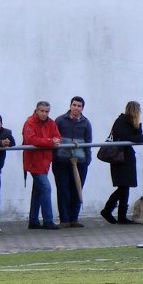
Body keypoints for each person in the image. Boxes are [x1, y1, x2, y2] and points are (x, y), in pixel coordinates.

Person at [101, 100, 143, 225]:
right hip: (120, 158)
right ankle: (108, 211)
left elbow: (140, 137)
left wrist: (138, 127)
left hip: (124, 158)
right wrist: (138, 132)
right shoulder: (122, 122)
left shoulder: (128, 122)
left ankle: (120, 215)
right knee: (123, 187)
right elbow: (131, 138)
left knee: (124, 187)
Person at [53, 96, 92, 228]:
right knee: (63, 190)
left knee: (77, 189)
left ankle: (74, 218)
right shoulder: (60, 120)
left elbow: (88, 142)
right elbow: (54, 138)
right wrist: (54, 157)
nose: (76, 108)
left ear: (82, 108)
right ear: (70, 106)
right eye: (74, 105)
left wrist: (87, 160)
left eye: (79, 106)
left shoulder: (86, 123)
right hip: (61, 161)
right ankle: (64, 220)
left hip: (80, 162)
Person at [22, 101, 61, 229]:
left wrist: (53, 141)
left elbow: (57, 137)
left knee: (38, 190)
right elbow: (31, 139)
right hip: (34, 161)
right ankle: (48, 220)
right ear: (36, 110)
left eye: (47, 111)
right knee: (46, 188)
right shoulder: (29, 123)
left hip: (45, 161)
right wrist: (50, 141)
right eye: (42, 111)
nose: (44, 113)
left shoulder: (51, 123)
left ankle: (33, 220)